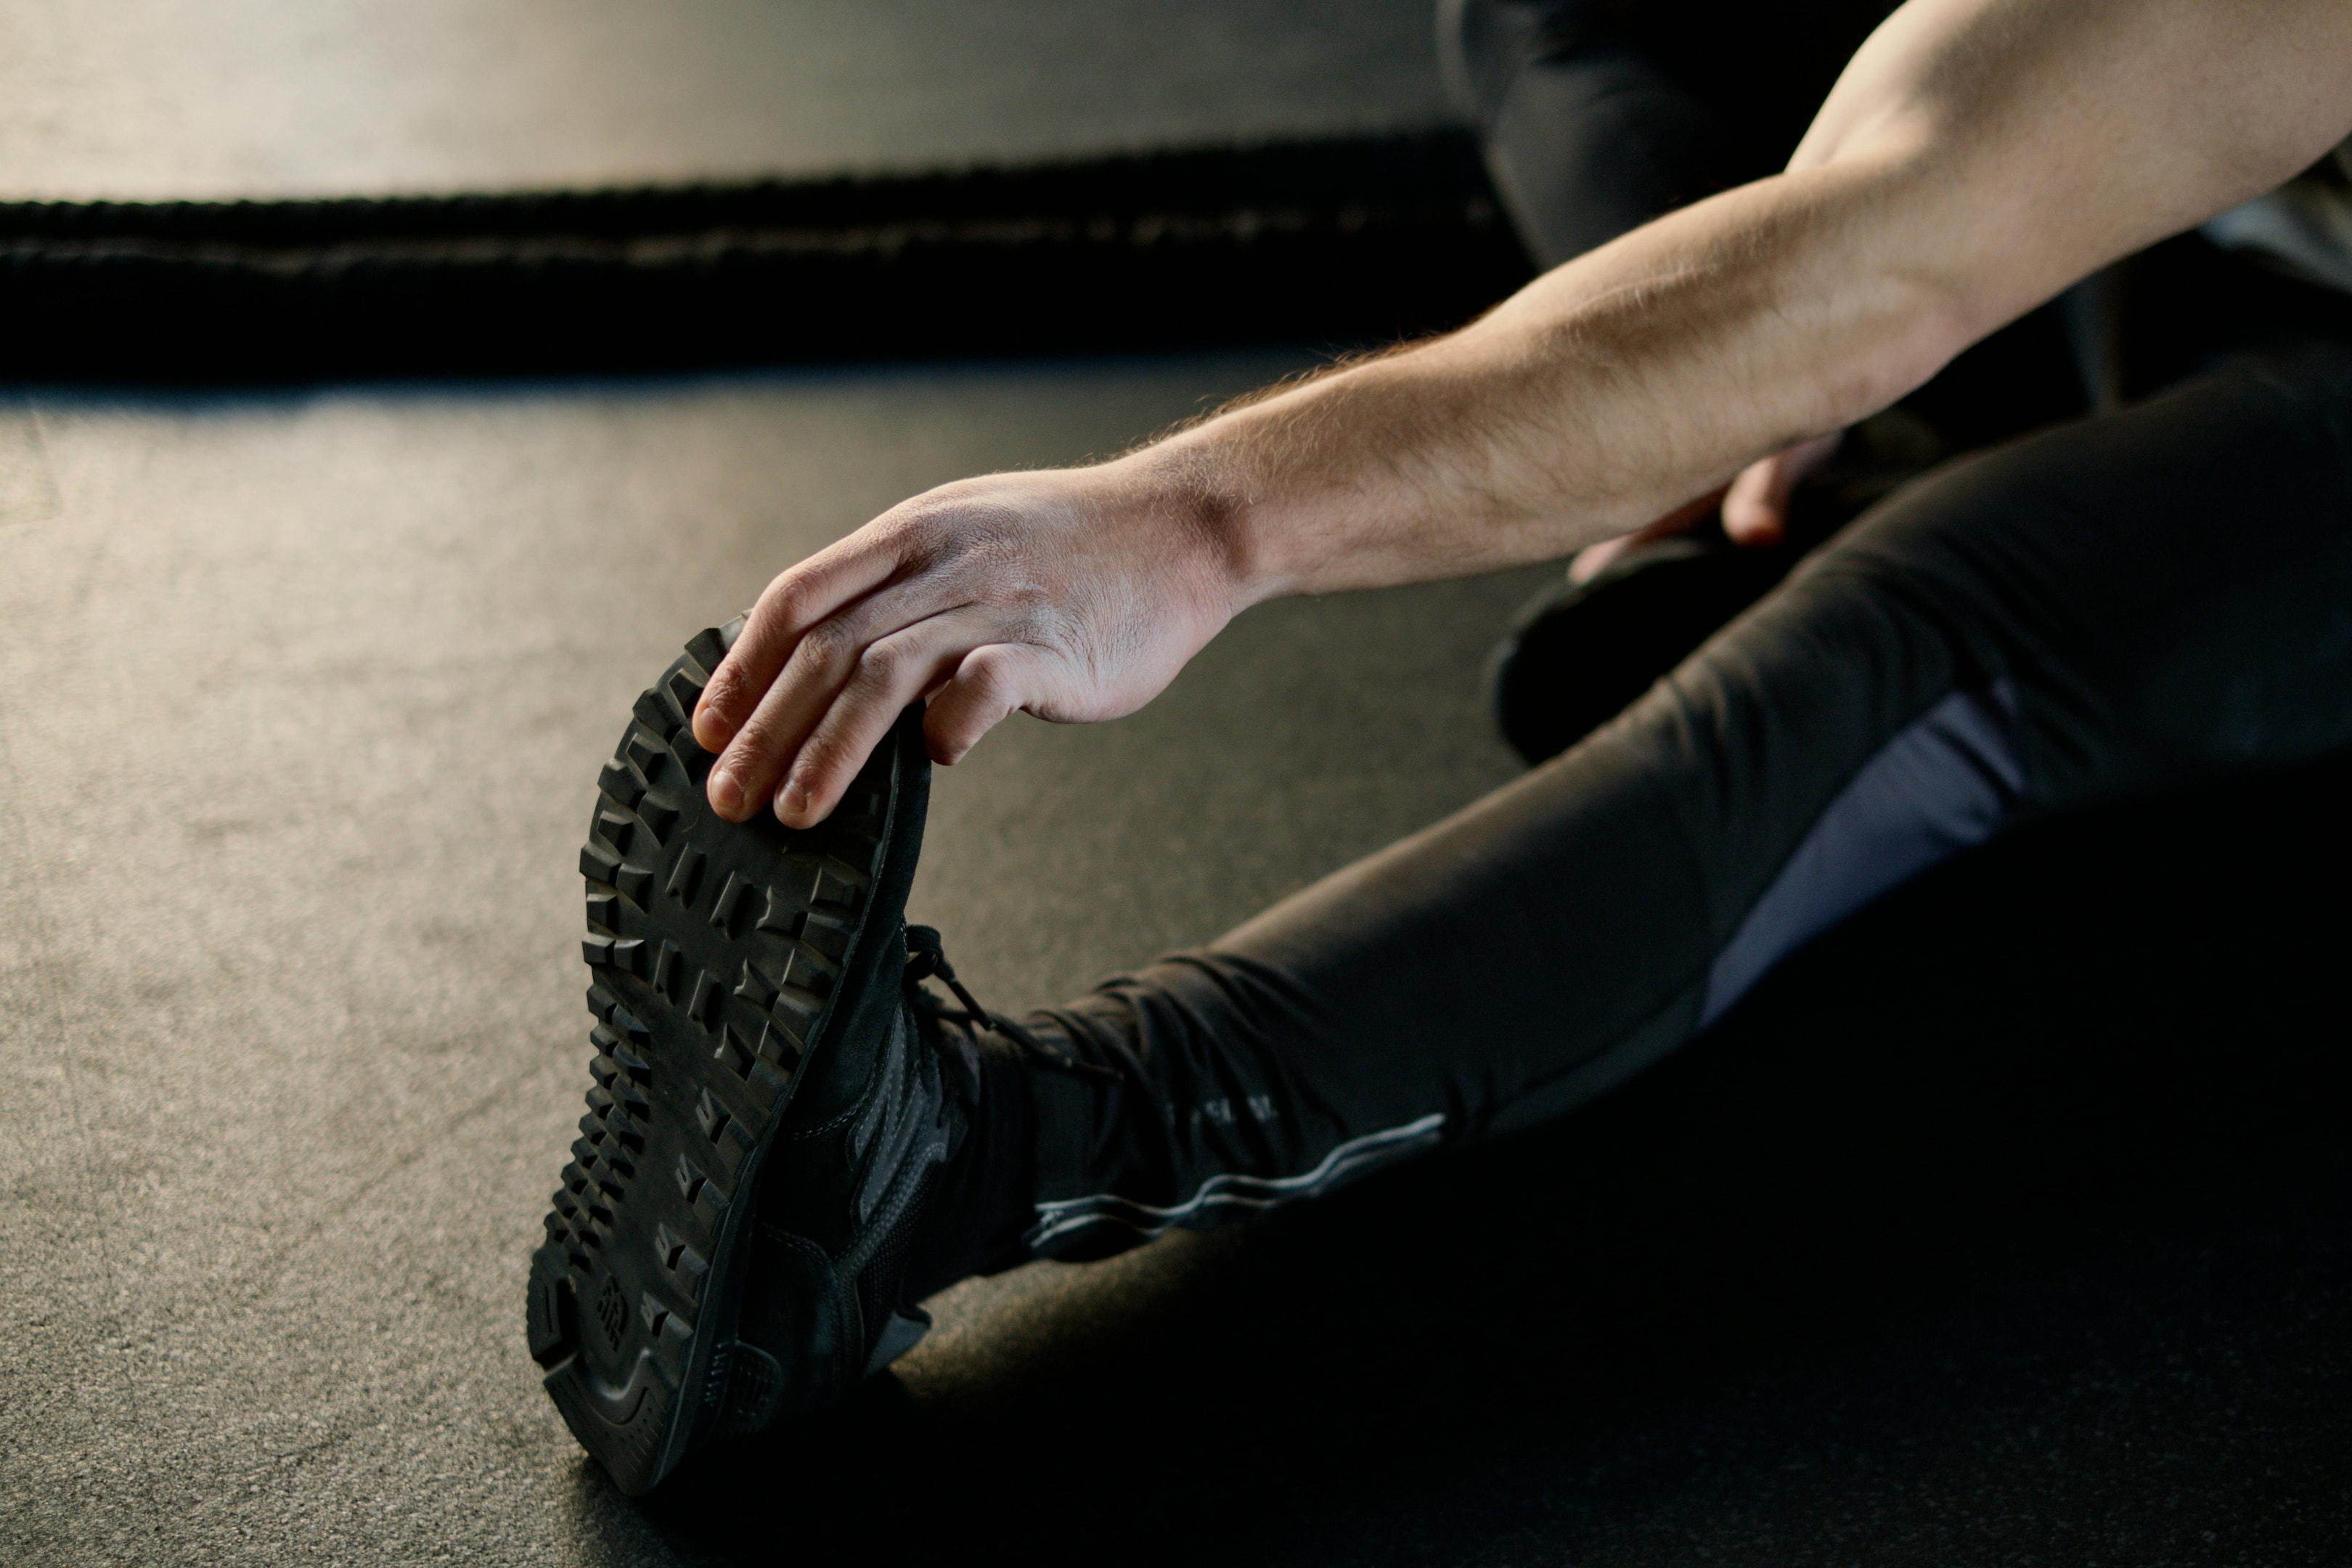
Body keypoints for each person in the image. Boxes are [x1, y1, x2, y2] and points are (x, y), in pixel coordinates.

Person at [528, 0, 2352, 1494]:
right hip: (2220, 228)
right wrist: (1792, 343)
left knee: (1912, 633)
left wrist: (1192, 523)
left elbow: (1898, 231)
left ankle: (953, 1170)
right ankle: (1814, 437)